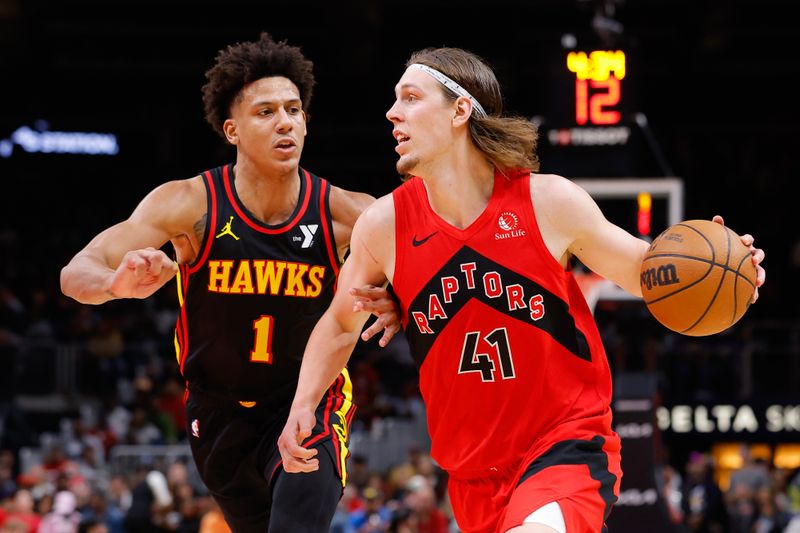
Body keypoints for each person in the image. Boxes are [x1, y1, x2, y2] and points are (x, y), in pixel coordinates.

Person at [278, 46, 767, 533]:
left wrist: (727, 266)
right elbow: (341, 323)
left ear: (459, 110)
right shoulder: (382, 225)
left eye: (410, 97)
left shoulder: (546, 200)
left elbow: (646, 269)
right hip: (470, 476)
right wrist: (302, 406)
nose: (392, 112)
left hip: (565, 446)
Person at [61, 33, 401, 532]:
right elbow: (75, 273)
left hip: (308, 400)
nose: (285, 120)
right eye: (266, 112)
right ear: (232, 130)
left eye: (293, 109)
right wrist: (116, 284)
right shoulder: (189, 204)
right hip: (217, 413)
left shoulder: (349, 213)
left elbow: (428, 272)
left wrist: (399, 296)